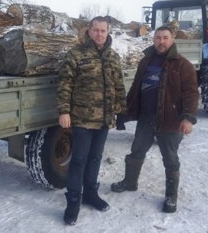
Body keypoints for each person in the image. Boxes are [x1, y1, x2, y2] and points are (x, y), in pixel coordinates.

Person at [111, 25, 199, 213]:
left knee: (170, 159)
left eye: (165, 37)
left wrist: (188, 118)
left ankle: (171, 196)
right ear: (153, 40)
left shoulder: (182, 64)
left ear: (172, 40)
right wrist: (125, 111)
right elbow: (136, 88)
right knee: (136, 151)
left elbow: (191, 93)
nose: (161, 41)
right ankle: (130, 182)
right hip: (146, 117)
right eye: (158, 37)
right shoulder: (146, 61)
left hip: (170, 120)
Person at [57, 16, 127, 225]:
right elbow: (64, 84)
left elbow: (119, 85)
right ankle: (73, 202)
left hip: (104, 119)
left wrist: (122, 111)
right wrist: (64, 111)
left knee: (96, 158)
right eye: (95, 30)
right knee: (78, 160)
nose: (99, 34)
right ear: (89, 31)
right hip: (82, 118)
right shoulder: (76, 55)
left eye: (103, 31)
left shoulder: (113, 56)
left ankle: (90, 194)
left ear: (108, 32)